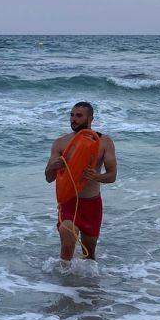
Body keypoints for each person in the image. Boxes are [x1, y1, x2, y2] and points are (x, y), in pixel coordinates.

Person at [44, 101, 117, 260]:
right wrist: (52, 167)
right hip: (68, 203)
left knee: (89, 255)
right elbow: (49, 178)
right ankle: (61, 282)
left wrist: (96, 176)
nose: (73, 119)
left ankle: (87, 284)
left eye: (78, 116)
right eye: (71, 115)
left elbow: (112, 176)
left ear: (91, 118)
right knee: (67, 246)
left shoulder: (104, 142)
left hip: (92, 205)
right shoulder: (61, 143)